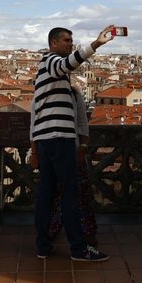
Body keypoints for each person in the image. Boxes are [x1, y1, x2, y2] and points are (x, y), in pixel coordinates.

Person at [30, 25, 116, 261]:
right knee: (70, 194)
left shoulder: (47, 75)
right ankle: (78, 249)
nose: (70, 44)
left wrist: (35, 145)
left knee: (46, 195)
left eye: (71, 40)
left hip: (46, 140)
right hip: (60, 140)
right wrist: (96, 43)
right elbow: (68, 63)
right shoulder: (50, 62)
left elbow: (35, 113)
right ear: (53, 43)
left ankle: (43, 246)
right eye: (67, 40)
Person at [47, 86, 98, 246]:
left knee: (79, 193)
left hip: (73, 151)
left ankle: (84, 234)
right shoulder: (44, 92)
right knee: (54, 193)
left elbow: (83, 123)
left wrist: (82, 147)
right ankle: (52, 231)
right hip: (51, 151)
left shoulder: (74, 94)